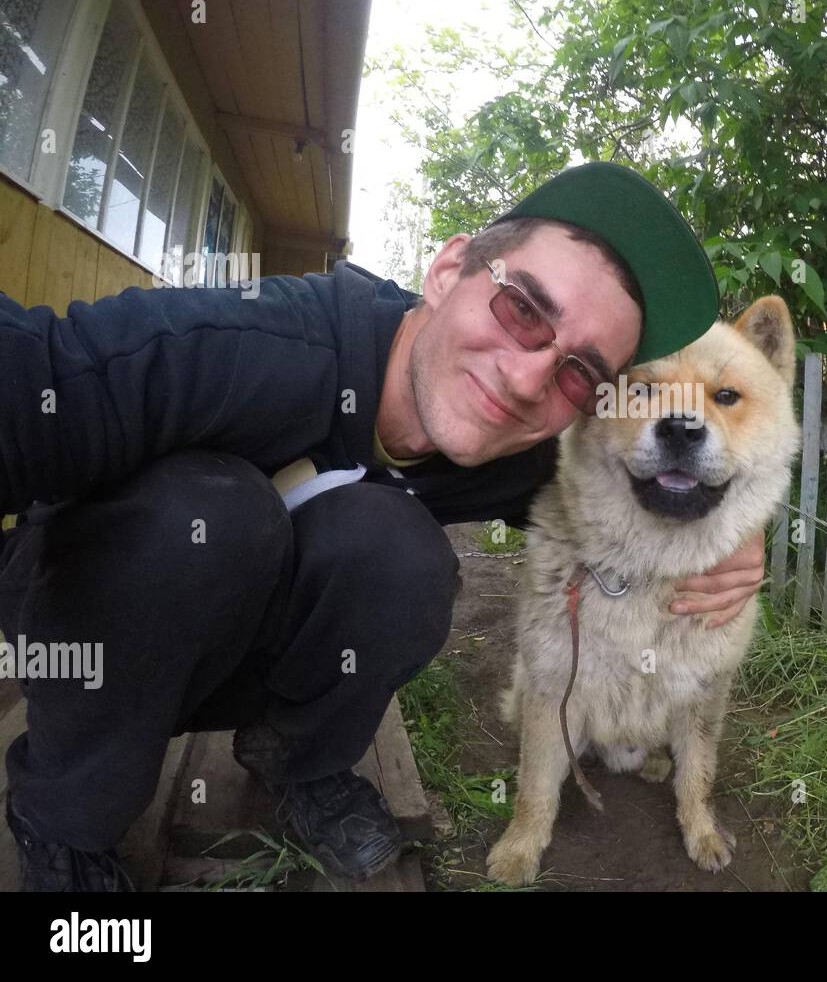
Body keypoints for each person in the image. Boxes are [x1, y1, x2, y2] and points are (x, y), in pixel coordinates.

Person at [0, 161, 766, 892]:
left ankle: (297, 762)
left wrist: (731, 524)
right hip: (91, 622)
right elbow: (40, 376)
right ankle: (63, 819)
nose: (530, 377)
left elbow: (636, 484)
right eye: (522, 309)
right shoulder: (254, 344)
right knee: (211, 514)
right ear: (448, 270)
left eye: (580, 373)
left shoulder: (519, 440)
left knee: (398, 553)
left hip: (229, 644)